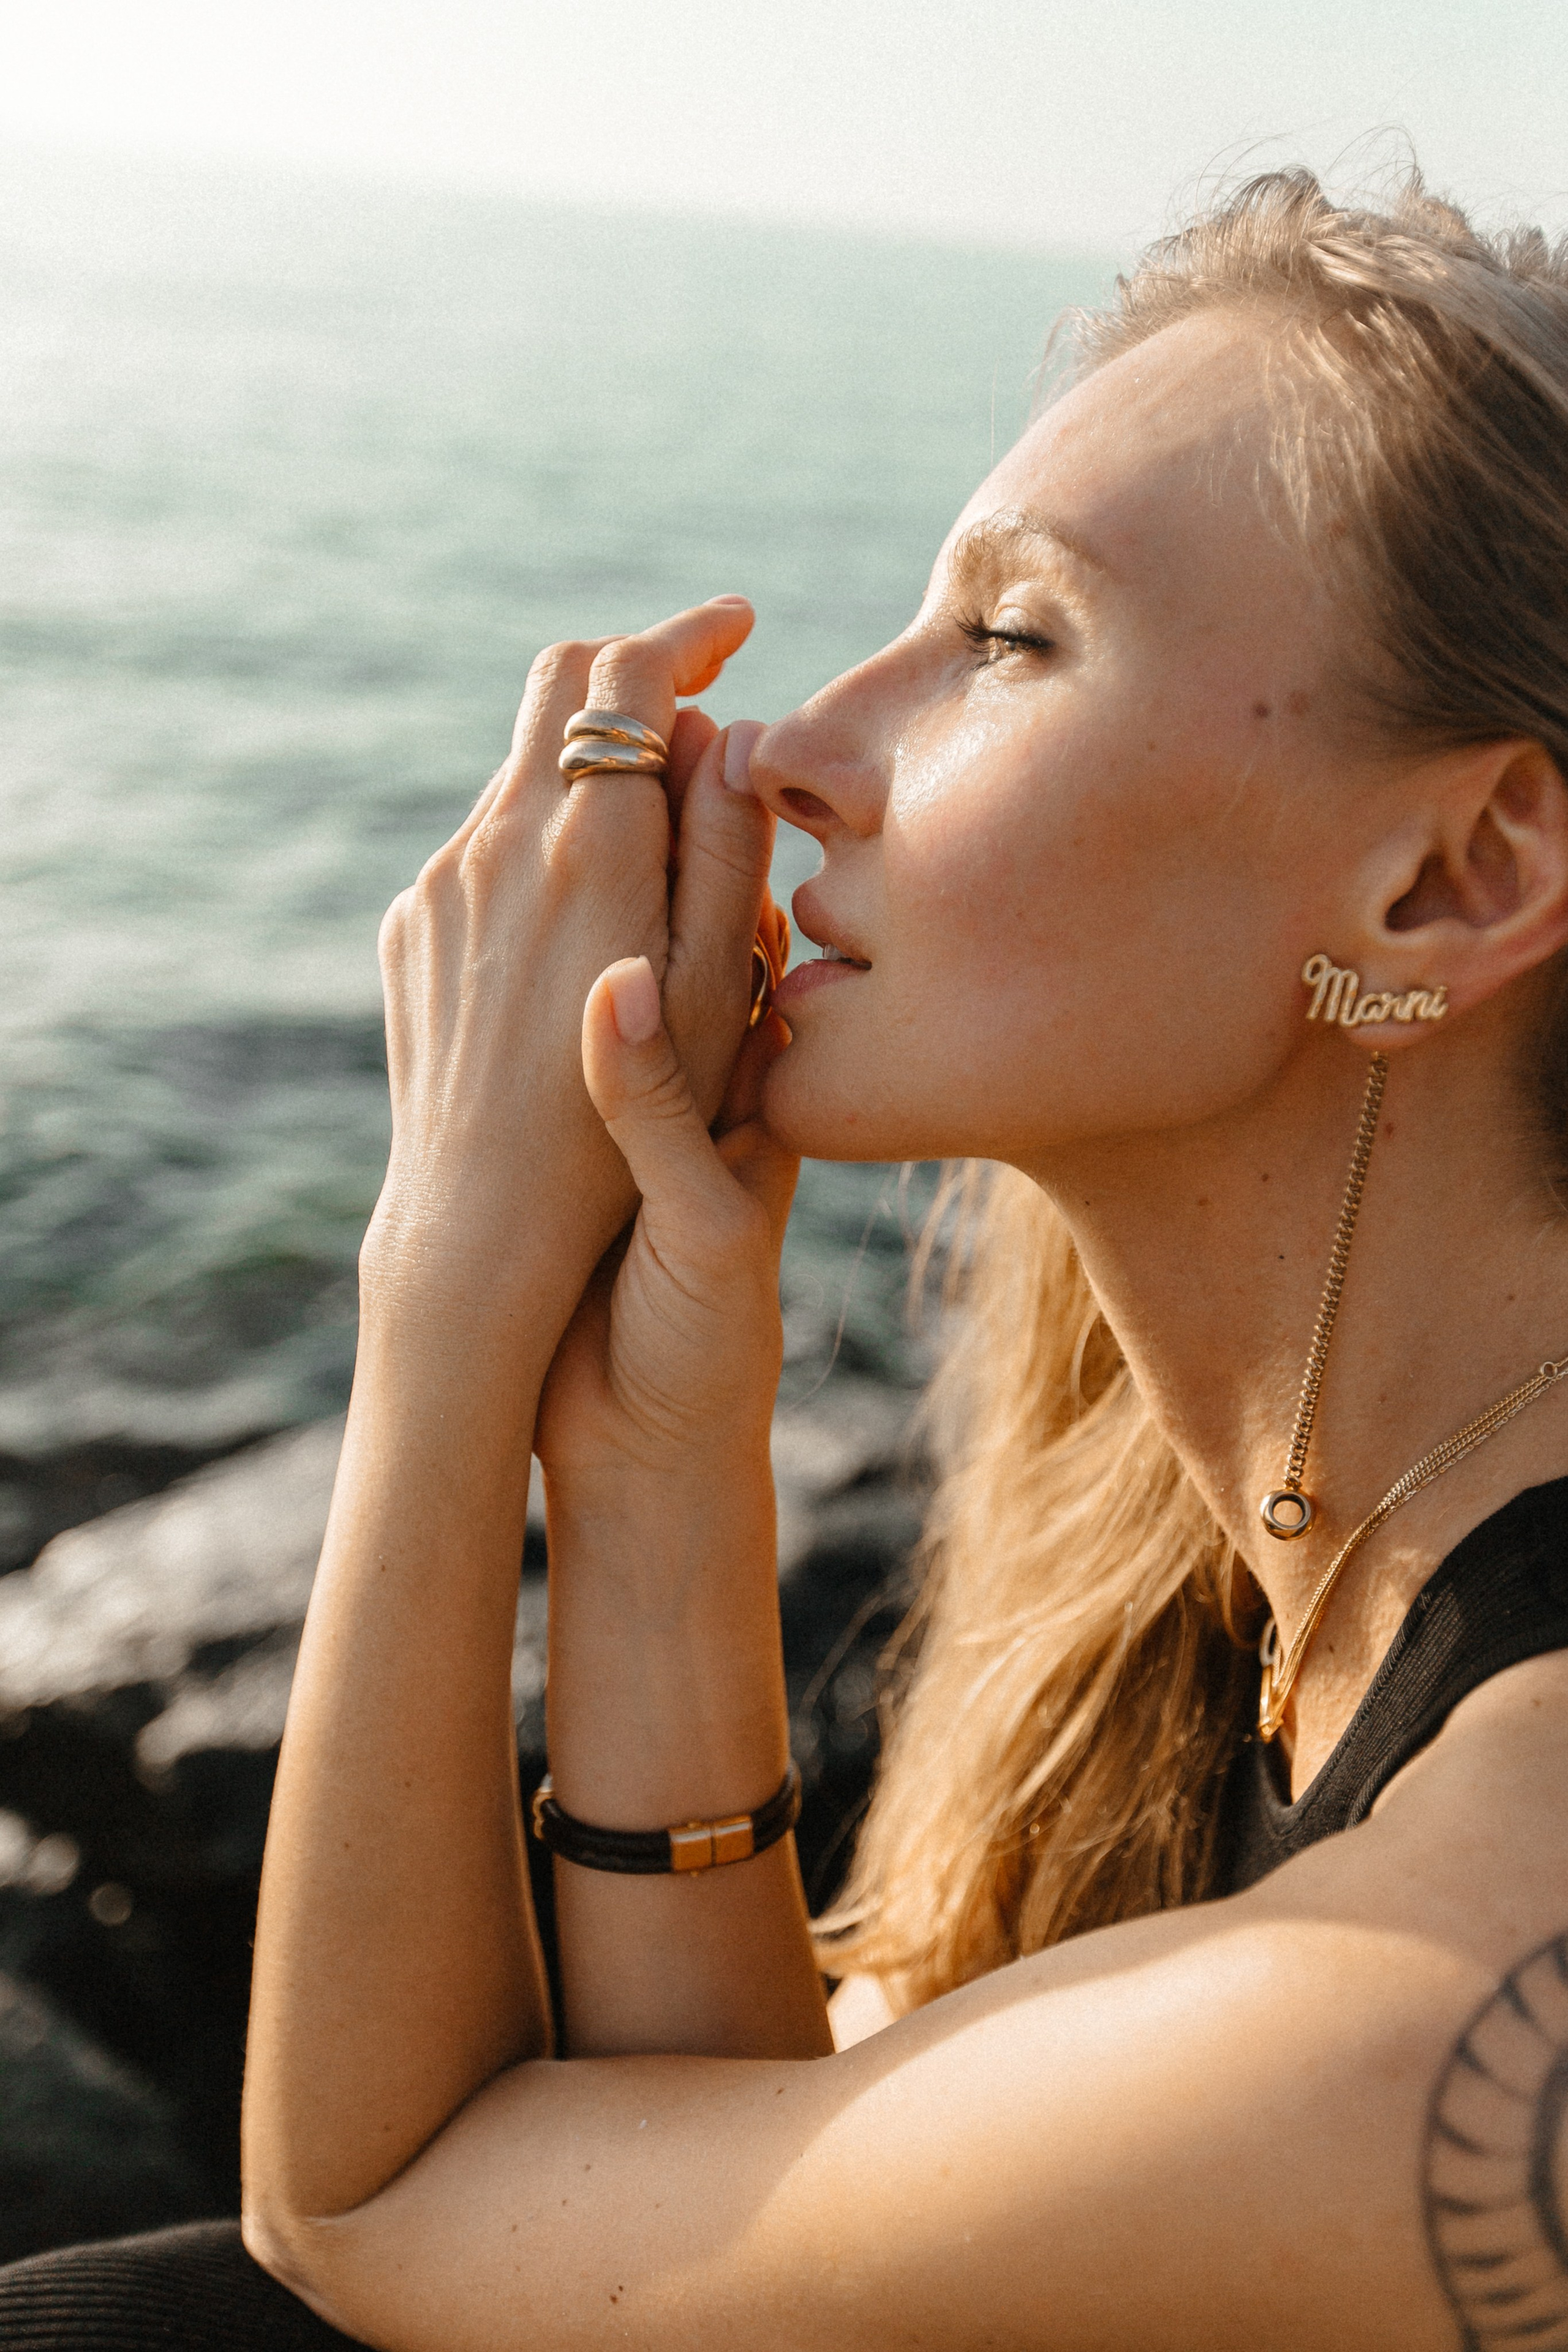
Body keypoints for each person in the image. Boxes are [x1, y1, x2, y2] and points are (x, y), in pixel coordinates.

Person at [7, 163, 1568, 2351]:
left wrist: (453, 1271)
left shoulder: (1466, 1984)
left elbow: (368, 2216)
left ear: (1453, 875)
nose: (803, 752)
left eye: (1011, 638)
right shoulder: (1252, 1575)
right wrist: (659, 1455)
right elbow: (707, 2255)